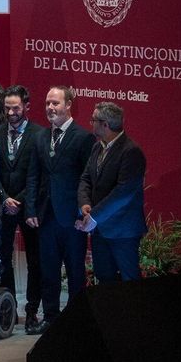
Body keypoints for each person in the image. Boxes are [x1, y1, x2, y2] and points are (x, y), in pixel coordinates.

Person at [31, 85, 95, 333]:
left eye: (55, 103)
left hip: (73, 218)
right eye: (47, 103)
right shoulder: (40, 137)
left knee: (75, 271)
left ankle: (76, 319)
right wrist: (30, 210)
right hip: (46, 216)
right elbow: (33, 177)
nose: (50, 108)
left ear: (68, 105)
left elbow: (87, 179)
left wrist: (83, 212)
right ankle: (50, 318)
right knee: (49, 271)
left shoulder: (83, 137)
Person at [0, 85, 45, 333]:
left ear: (26, 107)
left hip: (30, 205)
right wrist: (4, 198)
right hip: (4, 204)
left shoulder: (40, 135)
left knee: (35, 260)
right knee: (3, 258)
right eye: (7, 108)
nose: (11, 112)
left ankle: (32, 310)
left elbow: (41, 175)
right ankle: (8, 307)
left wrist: (20, 200)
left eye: (16, 107)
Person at [78, 101, 146, 282]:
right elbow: (86, 179)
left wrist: (94, 217)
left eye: (93, 120)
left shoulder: (131, 151)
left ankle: (133, 312)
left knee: (129, 281)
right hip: (100, 231)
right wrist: (85, 204)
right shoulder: (97, 147)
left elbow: (123, 192)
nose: (90, 123)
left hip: (123, 232)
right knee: (104, 281)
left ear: (105, 125)